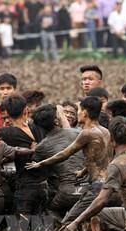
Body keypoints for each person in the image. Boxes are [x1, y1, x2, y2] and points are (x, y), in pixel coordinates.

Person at [25, 96, 113, 224]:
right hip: (109, 183)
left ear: (84, 113)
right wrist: (83, 171)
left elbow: (65, 154)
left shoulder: (85, 133)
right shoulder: (105, 131)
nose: (75, 114)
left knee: (69, 223)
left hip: (96, 186)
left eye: (77, 110)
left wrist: (40, 163)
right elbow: (102, 159)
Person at [32, 104, 87, 216]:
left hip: (67, 192)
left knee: (51, 212)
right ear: (57, 122)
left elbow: (37, 172)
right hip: (88, 188)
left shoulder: (41, 147)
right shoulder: (78, 133)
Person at [0, 95, 47, 216]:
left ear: (8, 113)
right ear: (25, 110)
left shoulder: (5, 133)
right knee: (41, 228)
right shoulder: (39, 127)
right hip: (44, 185)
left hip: (24, 184)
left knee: (21, 228)